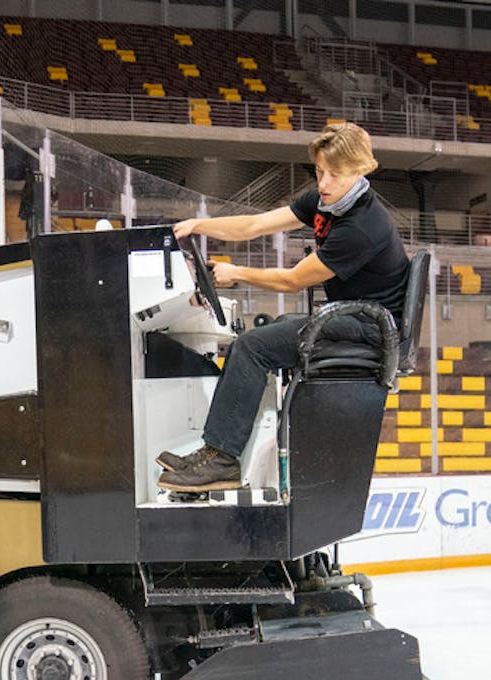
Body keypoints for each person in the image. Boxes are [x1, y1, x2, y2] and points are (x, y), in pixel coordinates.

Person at [156, 121, 409, 493]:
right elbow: (257, 224)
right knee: (273, 332)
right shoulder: (326, 203)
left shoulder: (362, 227)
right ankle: (219, 450)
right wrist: (199, 224)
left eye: (335, 175)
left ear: (360, 171)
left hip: (370, 328)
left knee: (252, 347)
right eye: (320, 171)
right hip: (353, 314)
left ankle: (222, 458)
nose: (323, 183)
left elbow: (292, 280)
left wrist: (235, 272)